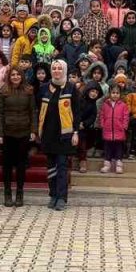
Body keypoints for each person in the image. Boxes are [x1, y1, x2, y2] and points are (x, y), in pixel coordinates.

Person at [37, 59, 79, 211]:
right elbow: (38, 110)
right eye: (54, 68)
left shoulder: (71, 88)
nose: (56, 71)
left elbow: (77, 111)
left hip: (65, 135)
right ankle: (53, 194)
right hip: (48, 134)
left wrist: (76, 132)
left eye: (59, 68)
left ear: (64, 70)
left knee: (61, 167)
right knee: (51, 168)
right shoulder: (43, 88)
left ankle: (61, 197)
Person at [0, 67, 36, 207]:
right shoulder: (3, 91)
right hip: (7, 133)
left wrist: (33, 130)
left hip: (24, 132)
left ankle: (19, 192)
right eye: (13, 74)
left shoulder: (29, 90)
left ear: (22, 76)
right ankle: (7, 193)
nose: (15, 76)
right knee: (7, 165)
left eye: (18, 74)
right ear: (9, 76)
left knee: (21, 165)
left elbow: (33, 112)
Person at [98, 84, 130, 174]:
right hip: (107, 130)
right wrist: (103, 125)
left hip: (119, 131)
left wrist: (124, 126)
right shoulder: (105, 104)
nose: (115, 95)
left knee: (118, 148)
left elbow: (126, 116)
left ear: (120, 94)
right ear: (109, 93)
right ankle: (107, 165)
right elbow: (102, 115)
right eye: (113, 93)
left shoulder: (123, 105)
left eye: (117, 93)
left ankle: (119, 165)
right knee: (107, 148)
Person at [74, 81, 101, 174]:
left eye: (96, 92)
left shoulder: (93, 105)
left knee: (82, 144)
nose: (94, 94)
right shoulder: (79, 99)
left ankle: (82, 162)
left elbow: (92, 117)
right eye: (92, 91)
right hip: (73, 125)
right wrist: (77, 123)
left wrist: (84, 124)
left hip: (83, 128)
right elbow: (74, 111)